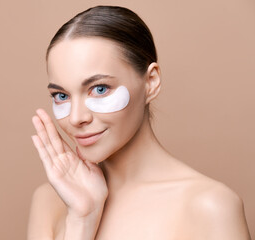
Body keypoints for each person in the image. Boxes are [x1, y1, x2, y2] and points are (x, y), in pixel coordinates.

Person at [27, 5, 251, 240]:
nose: (75, 118)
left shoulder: (209, 207)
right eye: (61, 96)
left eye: (99, 89)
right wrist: (81, 220)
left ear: (151, 82)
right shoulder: (51, 201)